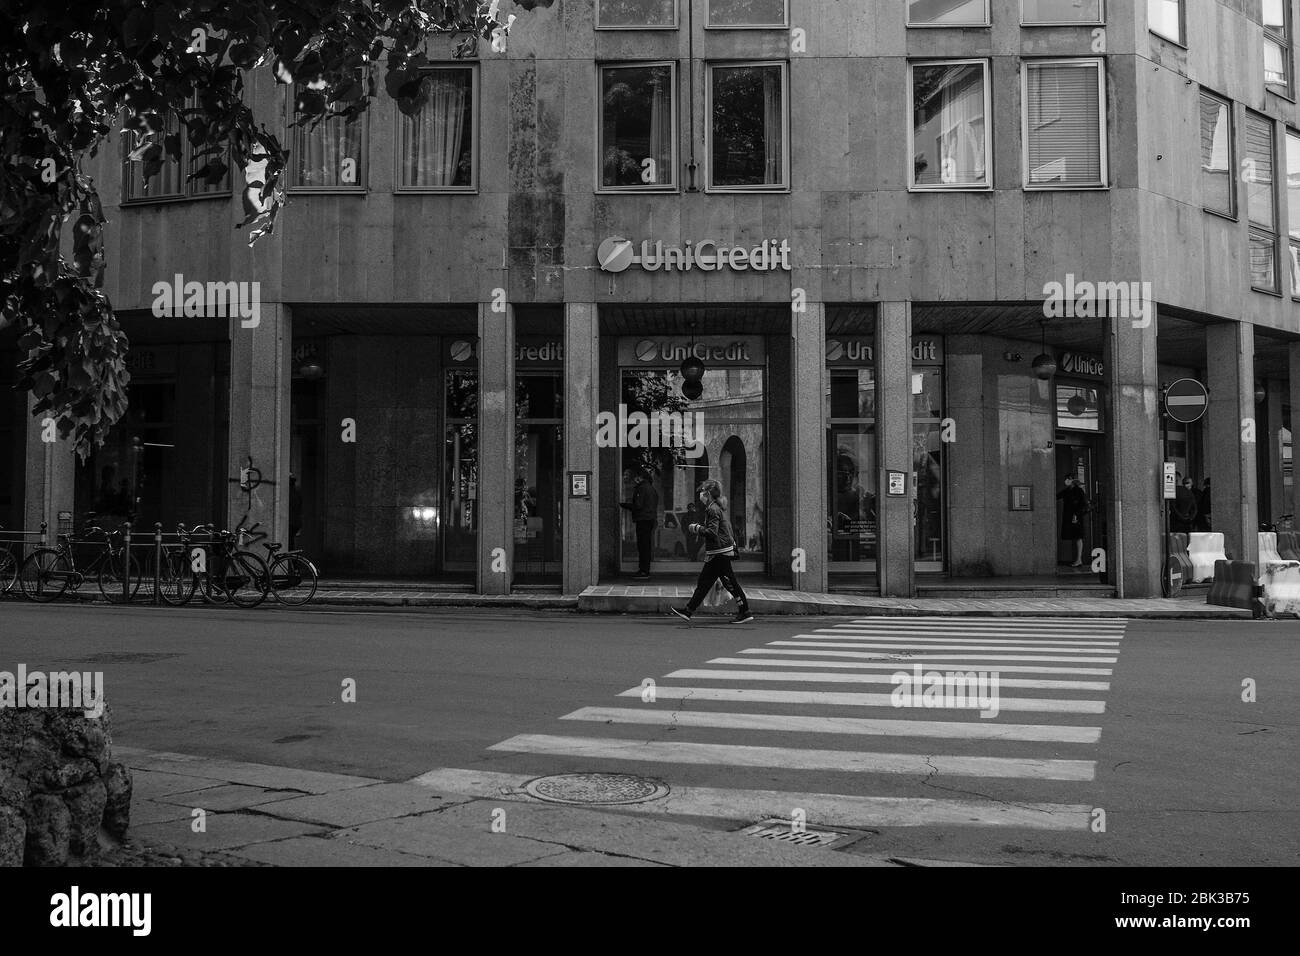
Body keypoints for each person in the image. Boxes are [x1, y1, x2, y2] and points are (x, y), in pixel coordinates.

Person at [671, 479, 754, 625]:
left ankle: (744, 611)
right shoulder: (714, 507)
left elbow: (712, 532)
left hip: (719, 552)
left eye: (703, 491)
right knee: (712, 582)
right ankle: (688, 610)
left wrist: (696, 528)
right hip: (719, 551)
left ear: (708, 494)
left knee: (724, 583)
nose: (701, 494)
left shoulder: (712, 509)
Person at [619, 466, 659, 579]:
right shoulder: (651, 488)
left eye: (635, 477)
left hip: (643, 520)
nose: (633, 480)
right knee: (646, 545)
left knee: (643, 546)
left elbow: (638, 505)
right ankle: (644, 569)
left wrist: (624, 505)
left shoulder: (641, 488)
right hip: (650, 519)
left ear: (639, 477)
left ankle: (643, 570)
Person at [1056, 476, 1090, 568]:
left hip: (1076, 517)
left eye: (1068, 479)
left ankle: (1079, 559)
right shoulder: (1067, 491)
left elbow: (1083, 504)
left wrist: (1076, 515)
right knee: (1076, 537)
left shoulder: (1078, 491)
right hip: (1070, 516)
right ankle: (1078, 559)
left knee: (1078, 537)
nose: (1066, 481)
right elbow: (1056, 496)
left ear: (1073, 481)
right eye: (1066, 479)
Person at [288, 474, 303, 550]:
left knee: (289, 543)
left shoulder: (288, 492)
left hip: (290, 521)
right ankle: (292, 560)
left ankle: (291, 560)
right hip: (296, 522)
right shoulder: (296, 492)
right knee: (291, 542)